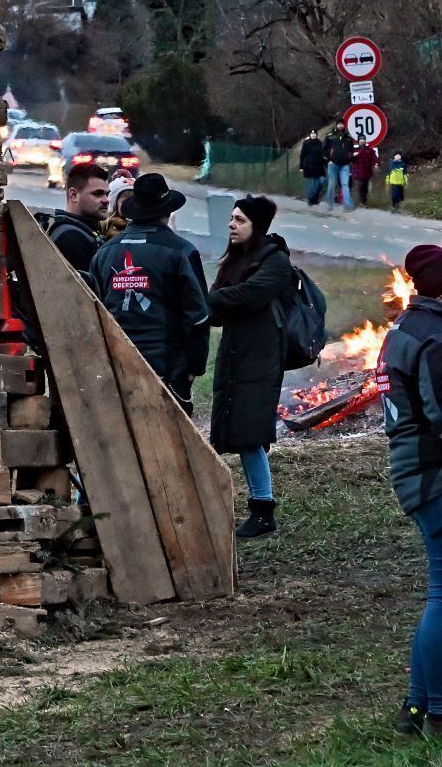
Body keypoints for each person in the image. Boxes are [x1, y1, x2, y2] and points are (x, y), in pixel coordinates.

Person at [207, 196, 299, 540]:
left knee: (251, 434)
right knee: (232, 430)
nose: (232, 224)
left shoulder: (275, 262)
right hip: (234, 354)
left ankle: (263, 510)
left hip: (261, 357)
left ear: (256, 226)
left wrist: (209, 300)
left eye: (240, 220)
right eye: (232, 218)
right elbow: (218, 308)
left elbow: (249, 295)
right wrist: (215, 302)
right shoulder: (234, 260)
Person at [380, 243, 442, 738]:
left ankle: (416, 709)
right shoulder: (434, 336)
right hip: (433, 473)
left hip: (414, 469)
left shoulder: (404, 327)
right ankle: (438, 711)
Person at [89, 173, 210, 412]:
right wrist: (194, 367)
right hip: (167, 369)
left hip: (116, 366)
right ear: (168, 211)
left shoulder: (104, 253)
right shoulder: (181, 252)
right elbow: (198, 317)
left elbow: (92, 312)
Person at [47, 163, 110, 274]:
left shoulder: (81, 230)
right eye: (98, 194)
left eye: (107, 194)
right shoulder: (72, 238)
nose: (106, 200)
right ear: (74, 195)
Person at [326, 124, 353, 210]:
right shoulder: (330, 136)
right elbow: (324, 149)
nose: (340, 126)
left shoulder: (348, 137)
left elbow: (351, 150)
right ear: (336, 125)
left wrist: (350, 158)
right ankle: (330, 204)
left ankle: (347, 205)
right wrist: (328, 160)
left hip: (344, 164)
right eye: (339, 124)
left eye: (342, 124)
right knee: (331, 184)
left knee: (345, 184)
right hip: (333, 164)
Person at [298, 131, 328, 208]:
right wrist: (301, 166)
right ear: (310, 135)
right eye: (312, 134)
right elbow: (302, 155)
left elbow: (323, 155)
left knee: (321, 181)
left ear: (317, 135)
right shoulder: (306, 143)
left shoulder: (320, 144)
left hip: (319, 167)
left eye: (314, 134)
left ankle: (314, 198)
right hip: (309, 167)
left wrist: (327, 165)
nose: (313, 135)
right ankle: (311, 200)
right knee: (312, 184)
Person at [349, 135, 379, 209]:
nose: (362, 140)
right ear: (358, 141)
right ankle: (359, 202)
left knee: (365, 188)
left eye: (363, 139)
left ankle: (363, 202)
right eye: (360, 139)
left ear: (365, 140)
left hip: (367, 172)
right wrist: (353, 156)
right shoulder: (354, 150)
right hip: (357, 172)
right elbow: (349, 159)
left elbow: (374, 158)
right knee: (360, 186)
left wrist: (376, 164)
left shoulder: (369, 150)